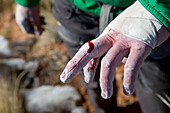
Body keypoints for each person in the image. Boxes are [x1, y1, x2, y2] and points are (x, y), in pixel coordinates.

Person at [15, 0, 170, 113]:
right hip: (75, 13)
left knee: (157, 91)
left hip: (148, 14)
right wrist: (25, 2)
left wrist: (156, 10)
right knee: (92, 81)